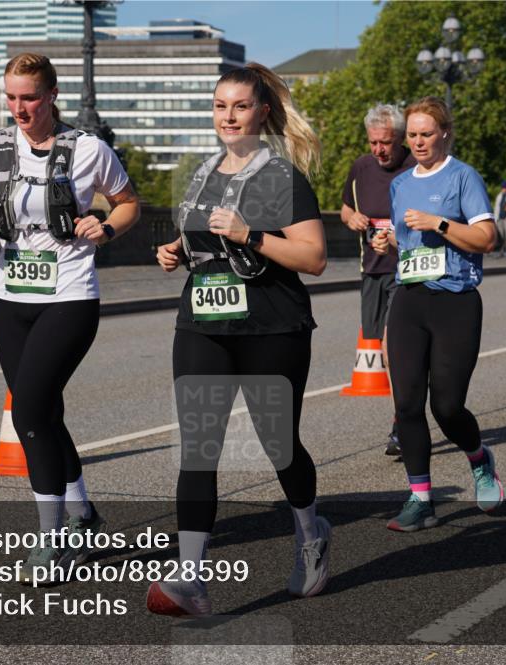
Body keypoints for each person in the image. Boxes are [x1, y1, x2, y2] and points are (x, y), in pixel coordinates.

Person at [147, 63, 329, 616]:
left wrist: (252, 234)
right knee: (199, 449)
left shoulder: (282, 177)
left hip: (271, 326)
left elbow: (314, 257)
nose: (229, 116)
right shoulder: (202, 172)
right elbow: (204, 234)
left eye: (240, 106)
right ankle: (191, 581)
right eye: (220, 106)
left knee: (278, 445)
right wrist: (178, 250)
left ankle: (311, 533)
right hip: (204, 323)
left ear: (262, 112)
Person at [0, 53, 140, 576]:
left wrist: (106, 226)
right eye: (10, 97)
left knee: (29, 412)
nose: (18, 107)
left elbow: (128, 204)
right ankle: (81, 511)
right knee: (44, 412)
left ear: (52, 95)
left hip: (71, 294)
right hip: (10, 297)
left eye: (29, 97)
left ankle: (52, 537)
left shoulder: (88, 150)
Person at [370, 96, 504, 532]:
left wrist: (441, 224)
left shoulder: (464, 176)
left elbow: (487, 238)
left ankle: (479, 459)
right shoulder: (401, 183)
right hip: (410, 298)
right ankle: (420, 499)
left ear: (445, 133)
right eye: (413, 134)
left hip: (456, 301)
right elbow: (406, 242)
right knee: (407, 403)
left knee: (446, 407)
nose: (419, 141)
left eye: (427, 133)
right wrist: (387, 242)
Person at [339, 104, 416, 457]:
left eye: (385, 143)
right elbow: (344, 207)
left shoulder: (415, 167)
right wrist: (353, 217)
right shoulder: (361, 167)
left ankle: (402, 424)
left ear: (400, 139)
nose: (379, 150)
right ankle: (411, 407)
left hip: (409, 270)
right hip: (371, 269)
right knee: (382, 347)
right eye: (373, 143)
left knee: (392, 347)